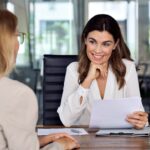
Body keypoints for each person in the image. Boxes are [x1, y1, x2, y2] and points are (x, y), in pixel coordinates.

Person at [0, 9, 80, 150]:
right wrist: (59, 146)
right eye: (17, 36)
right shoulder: (18, 94)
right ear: (8, 43)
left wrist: (36, 142)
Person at [57, 14, 148, 129]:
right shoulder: (73, 70)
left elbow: (138, 114)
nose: (98, 50)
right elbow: (67, 120)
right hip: (84, 142)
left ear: (115, 44)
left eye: (106, 44)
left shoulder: (128, 68)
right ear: (85, 40)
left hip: (118, 142)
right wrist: (88, 80)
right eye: (92, 42)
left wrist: (141, 121)